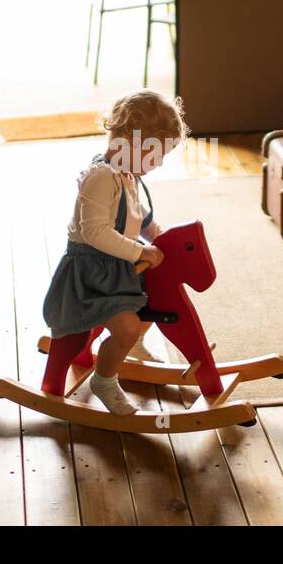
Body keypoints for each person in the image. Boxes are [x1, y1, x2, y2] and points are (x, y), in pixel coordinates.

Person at [41, 91, 189, 415]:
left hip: (117, 270)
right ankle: (105, 380)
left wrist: (157, 236)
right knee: (127, 327)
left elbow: (138, 216)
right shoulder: (101, 178)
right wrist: (139, 251)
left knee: (156, 295)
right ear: (131, 143)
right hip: (90, 277)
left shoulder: (128, 174)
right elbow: (95, 233)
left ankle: (122, 348)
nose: (159, 163)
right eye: (155, 155)